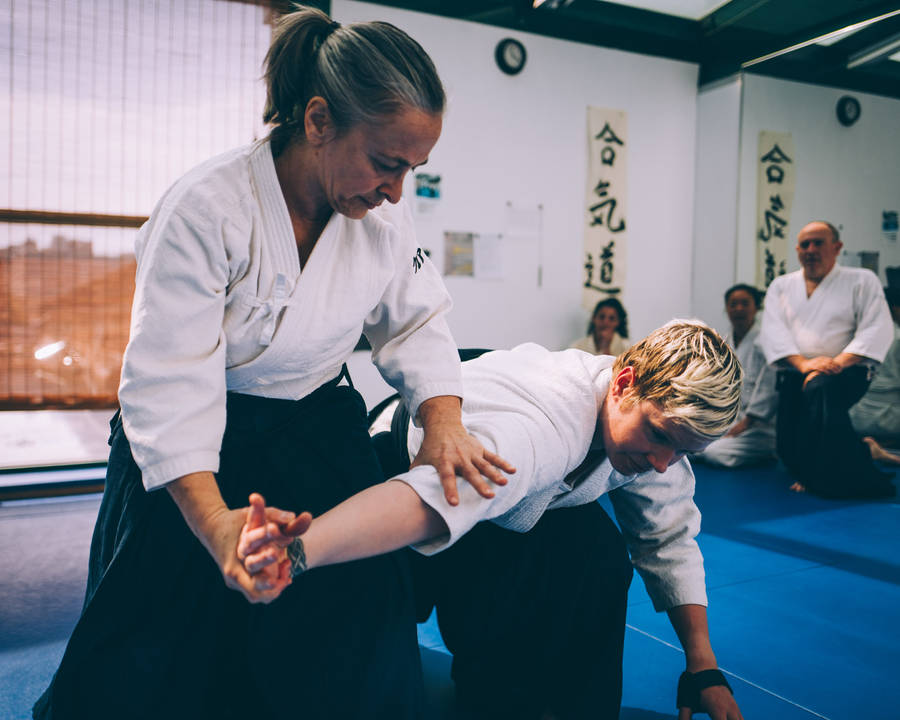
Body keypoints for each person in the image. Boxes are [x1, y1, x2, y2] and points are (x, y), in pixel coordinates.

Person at [34, 8, 512, 720]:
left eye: (412, 169)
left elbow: (416, 320)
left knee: (355, 628)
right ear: (318, 120)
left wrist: (443, 421)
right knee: (158, 651)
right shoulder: (206, 208)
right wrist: (218, 525)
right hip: (194, 448)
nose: (396, 190)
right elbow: (171, 387)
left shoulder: (381, 218)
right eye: (386, 162)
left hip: (314, 428)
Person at [241, 320, 747, 720]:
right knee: (354, 678)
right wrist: (299, 551)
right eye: (659, 438)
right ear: (624, 382)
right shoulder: (542, 428)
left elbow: (668, 539)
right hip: (398, 463)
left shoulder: (656, 432)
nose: (662, 463)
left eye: (683, 452)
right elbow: (437, 497)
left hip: (516, 505)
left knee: (597, 551)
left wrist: (702, 666)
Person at [758, 220, 895, 498]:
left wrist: (834, 365)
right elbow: (773, 331)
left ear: (837, 247)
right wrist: (804, 364)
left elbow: (876, 328)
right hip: (796, 369)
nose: (810, 249)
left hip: (847, 369)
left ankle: (824, 478)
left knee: (820, 391)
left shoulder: (862, 280)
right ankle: (865, 449)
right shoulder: (781, 286)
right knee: (787, 449)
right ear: (798, 250)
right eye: (804, 244)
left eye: (818, 243)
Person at [696, 284, 776, 467]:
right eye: (733, 304)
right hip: (727, 422)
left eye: (745, 303)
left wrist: (745, 424)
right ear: (727, 309)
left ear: (756, 307)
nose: (739, 309)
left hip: (757, 429)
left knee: (714, 453)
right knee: (689, 446)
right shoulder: (723, 344)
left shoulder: (766, 344)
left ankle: (768, 452)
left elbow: (768, 392)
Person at [850, 285, 900, 463]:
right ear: (895, 309)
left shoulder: (854, 335)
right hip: (888, 421)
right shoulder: (896, 337)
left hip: (853, 418)